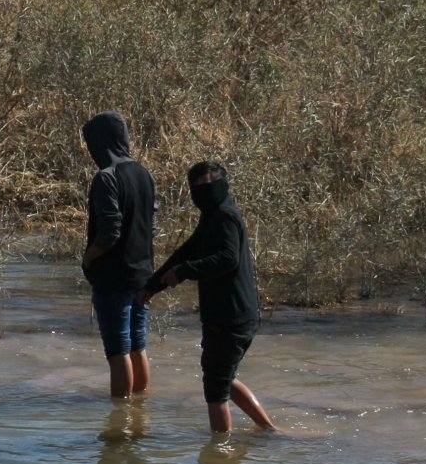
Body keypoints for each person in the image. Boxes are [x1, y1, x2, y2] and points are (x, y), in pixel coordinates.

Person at [141, 162, 278, 435]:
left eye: (212, 182)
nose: (207, 188)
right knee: (221, 379)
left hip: (231, 317)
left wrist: (185, 271)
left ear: (223, 183)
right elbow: (187, 251)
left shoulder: (225, 216)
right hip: (232, 315)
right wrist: (153, 286)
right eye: (200, 184)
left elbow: (228, 259)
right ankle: (268, 430)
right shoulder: (213, 215)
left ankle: (220, 451)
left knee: (215, 389)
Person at [81, 111, 157, 400]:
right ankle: (140, 410)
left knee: (117, 349)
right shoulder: (144, 173)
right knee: (138, 344)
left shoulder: (106, 178)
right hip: (143, 273)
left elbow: (110, 231)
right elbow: (152, 224)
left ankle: (121, 418)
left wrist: (89, 258)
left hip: (114, 277)